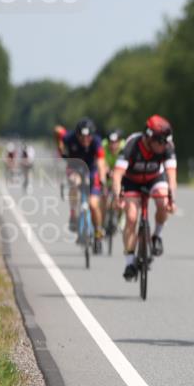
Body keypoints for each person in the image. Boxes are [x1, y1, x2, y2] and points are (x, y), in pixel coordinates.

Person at [111, 115, 178, 281]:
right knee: (132, 217)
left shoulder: (167, 146)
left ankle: (156, 235)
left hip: (155, 178)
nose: (163, 146)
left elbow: (171, 176)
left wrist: (172, 200)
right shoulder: (132, 145)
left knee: (162, 203)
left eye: (165, 142)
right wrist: (118, 196)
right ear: (149, 137)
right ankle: (129, 262)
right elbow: (117, 175)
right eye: (160, 142)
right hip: (131, 180)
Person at [61, 118, 107, 249]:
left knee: (93, 204)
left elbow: (101, 161)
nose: (85, 140)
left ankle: (98, 230)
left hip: (91, 171)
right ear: (77, 135)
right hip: (75, 168)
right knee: (74, 182)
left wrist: (102, 178)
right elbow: (58, 131)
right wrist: (61, 148)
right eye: (82, 137)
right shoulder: (69, 138)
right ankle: (73, 213)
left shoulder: (97, 142)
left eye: (88, 137)